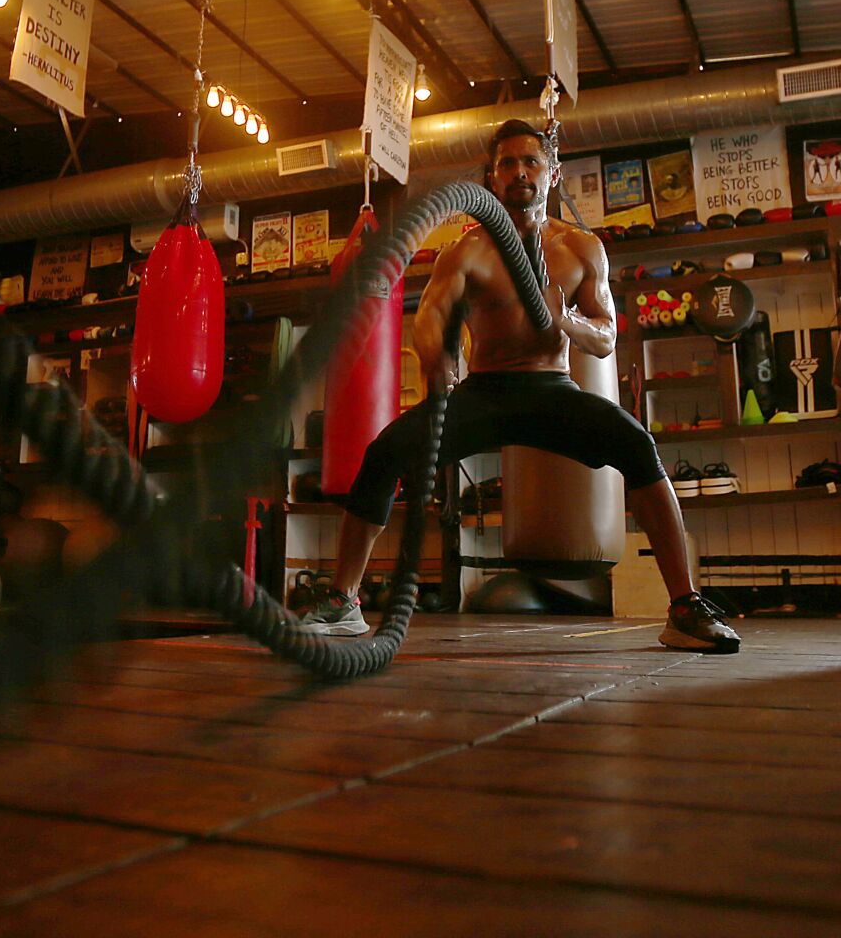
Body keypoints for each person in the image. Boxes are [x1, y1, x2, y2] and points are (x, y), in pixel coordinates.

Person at [297, 120, 740, 653]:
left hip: (552, 388)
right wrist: (441, 360)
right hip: (483, 392)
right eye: (508, 163)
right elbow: (432, 316)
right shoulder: (466, 251)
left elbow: (605, 338)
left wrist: (567, 320)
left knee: (638, 447)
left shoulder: (580, 248)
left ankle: (685, 608)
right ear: (492, 176)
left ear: (552, 172)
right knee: (383, 453)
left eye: (531, 161)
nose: (520, 172)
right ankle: (345, 603)